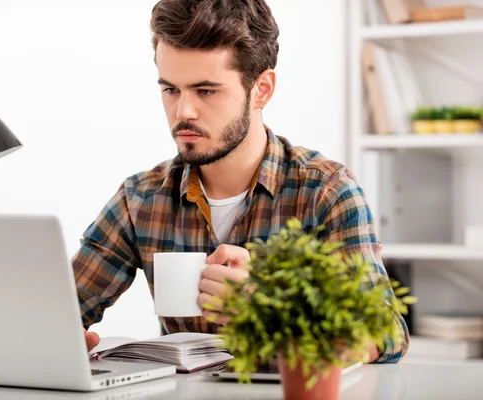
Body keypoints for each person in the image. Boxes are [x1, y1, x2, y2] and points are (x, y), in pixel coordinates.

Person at [72, 0, 409, 364]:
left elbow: (384, 332)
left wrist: (272, 305)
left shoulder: (325, 191)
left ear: (261, 89)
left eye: (206, 91)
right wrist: (63, 337)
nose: (183, 111)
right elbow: (62, 310)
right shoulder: (141, 198)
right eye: (171, 90)